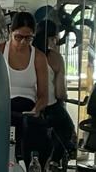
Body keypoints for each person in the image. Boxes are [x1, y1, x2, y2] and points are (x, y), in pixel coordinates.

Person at [0, 12, 51, 164]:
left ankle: (31, 170)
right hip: (5, 108)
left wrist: (36, 110)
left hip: (28, 109)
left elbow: (43, 95)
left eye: (28, 38)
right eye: (18, 37)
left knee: (34, 136)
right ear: (11, 32)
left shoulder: (39, 57)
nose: (22, 42)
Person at [33, 18, 77, 157]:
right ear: (53, 38)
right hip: (49, 108)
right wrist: (65, 96)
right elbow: (59, 93)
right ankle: (55, 161)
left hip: (25, 106)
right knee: (67, 130)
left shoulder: (25, 55)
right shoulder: (55, 58)